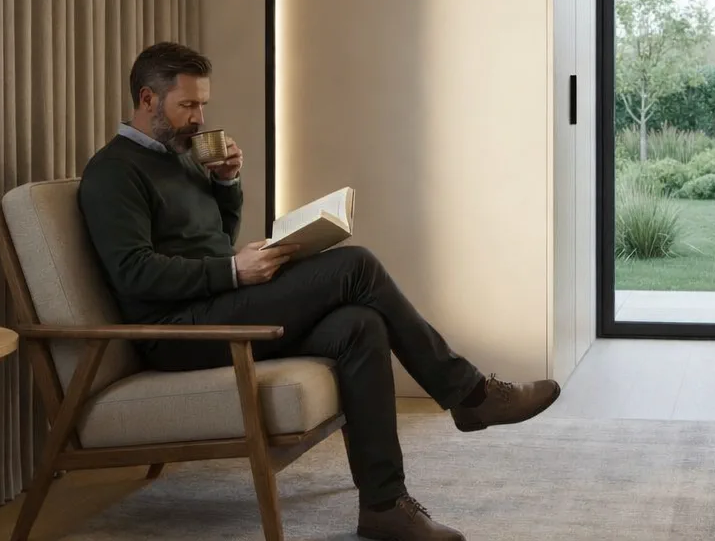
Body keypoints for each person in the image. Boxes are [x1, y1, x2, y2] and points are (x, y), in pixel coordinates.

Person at [78, 41, 560, 541]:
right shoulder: (114, 173)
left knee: (360, 325)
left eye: (204, 104)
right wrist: (234, 272)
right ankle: (470, 393)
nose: (200, 118)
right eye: (188, 105)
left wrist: (227, 183)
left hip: (217, 307)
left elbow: (213, 239)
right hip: (177, 333)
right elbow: (135, 274)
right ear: (147, 99)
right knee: (356, 266)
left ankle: (384, 506)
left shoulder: (182, 155)